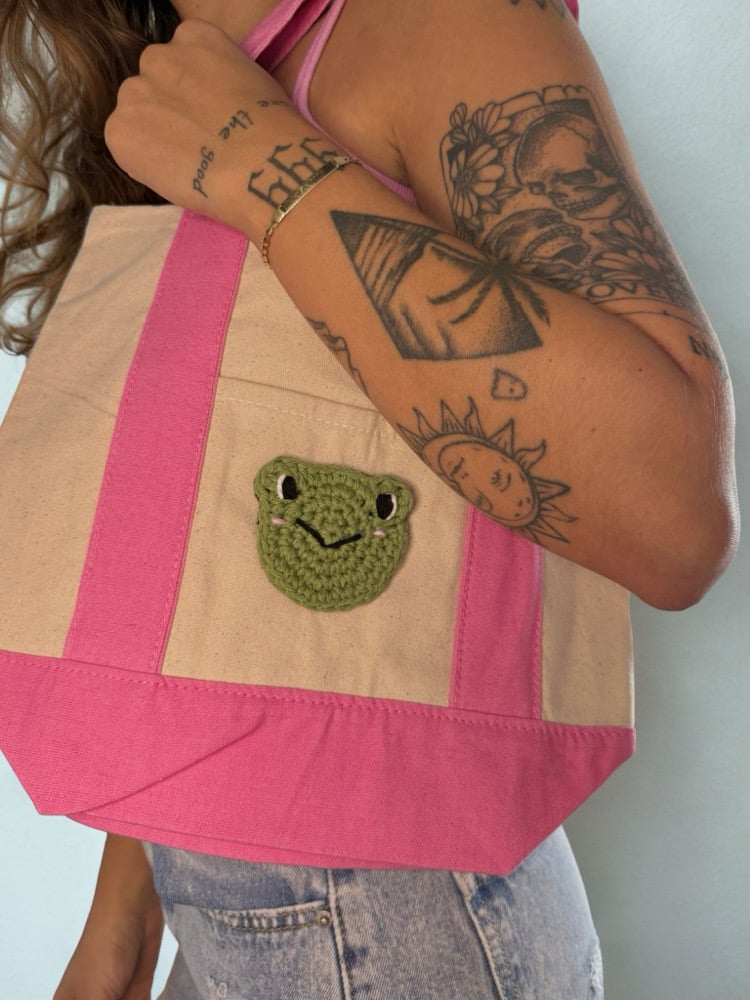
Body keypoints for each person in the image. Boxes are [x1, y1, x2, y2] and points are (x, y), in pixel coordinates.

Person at [0, 0, 738, 997]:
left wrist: (267, 166)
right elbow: (219, 562)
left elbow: (677, 519)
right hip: (245, 902)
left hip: (393, 928)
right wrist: (126, 911)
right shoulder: (193, 60)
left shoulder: (438, 18)